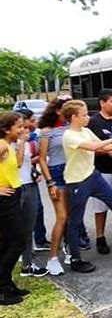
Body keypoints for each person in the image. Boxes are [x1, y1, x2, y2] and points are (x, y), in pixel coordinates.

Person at [61, 100, 112, 273]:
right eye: (84, 114)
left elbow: (105, 144)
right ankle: (75, 257)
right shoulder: (69, 135)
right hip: (77, 181)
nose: (88, 117)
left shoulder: (86, 131)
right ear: (74, 117)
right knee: (75, 220)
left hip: (93, 175)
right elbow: (94, 146)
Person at [38, 97, 90, 276]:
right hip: (57, 174)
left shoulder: (73, 128)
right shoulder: (47, 132)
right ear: (58, 111)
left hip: (73, 173)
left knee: (73, 217)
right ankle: (52, 257)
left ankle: (70, 250)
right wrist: (50, 182)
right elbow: (42, 159)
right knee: (62, 216)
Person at [13, 111, 48, 278]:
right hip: (16, 188)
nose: (24, 128)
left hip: (30, 184)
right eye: (19, 126)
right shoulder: (9, 144)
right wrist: (21, 143)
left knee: (28, 227)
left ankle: (27, 264)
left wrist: (34, 171)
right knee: (15, 229)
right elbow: (18, 163)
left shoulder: (26, 141)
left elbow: (26, 163)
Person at [87, 89, 112, 254]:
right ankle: (100, 237)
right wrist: (107, 151)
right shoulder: (93, 122)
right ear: (102, 103)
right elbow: (89, 147)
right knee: (100, 206)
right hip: (103, 169)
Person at [0, 112, 28, 305]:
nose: (22, 129)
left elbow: (17, 164)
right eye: (19, 126)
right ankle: (1, 288)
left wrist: (22, 143)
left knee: (9, 242)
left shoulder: (8, 145)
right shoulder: (1, 144)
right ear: (6, 129)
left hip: (13, 195)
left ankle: (7, 284)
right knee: (18, 241)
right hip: (5, 200)